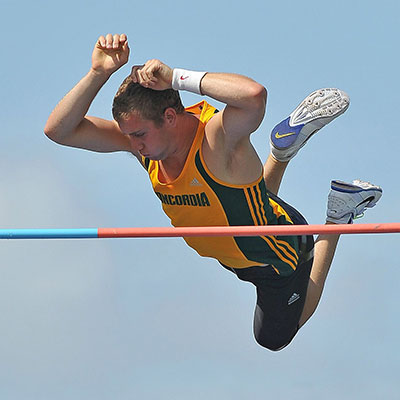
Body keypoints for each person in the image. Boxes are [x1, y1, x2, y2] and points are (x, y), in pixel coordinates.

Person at [44, 33, 382, 351]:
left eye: (140, 135)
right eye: (129, 135)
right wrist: (97, 72)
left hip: (278, 257)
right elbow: (59, 130)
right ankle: (280, 154)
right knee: (241, 201)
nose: (133, 145)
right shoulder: (146, 145)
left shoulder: (214, 139)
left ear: (171, 117)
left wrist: (176, 76)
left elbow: (253, 97)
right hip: (247, 232)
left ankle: (338, 215)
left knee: (274, 337)